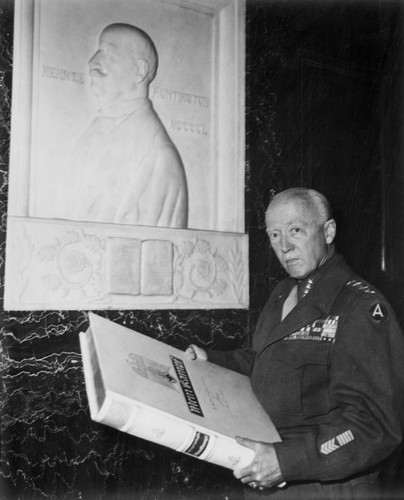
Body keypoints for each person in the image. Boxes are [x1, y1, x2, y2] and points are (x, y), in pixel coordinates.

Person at [186, 187, 404, 498]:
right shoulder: (283, 293)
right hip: (268, 476)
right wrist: (212, 360)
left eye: (296, 230)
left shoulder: (360, 307)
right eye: (274, 235)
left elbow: (376, 424)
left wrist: (286, 461)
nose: (284, 246)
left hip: (326, 485)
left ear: (328, 232)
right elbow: (263, 359)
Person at [58, 23, 188, 228]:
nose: (93, 62)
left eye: (109, 54)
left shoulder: (159, 157)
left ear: (139, 71)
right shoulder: (91, 135)